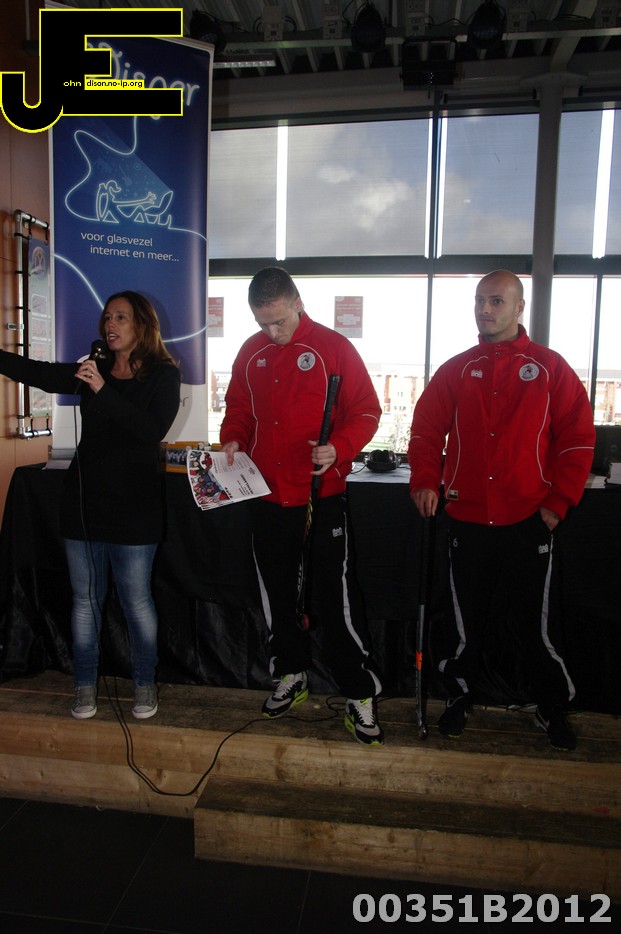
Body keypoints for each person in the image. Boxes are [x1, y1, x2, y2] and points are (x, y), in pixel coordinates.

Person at [408, 270, 595, 751]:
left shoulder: (550, 368)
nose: (485, 309)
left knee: (537, 624)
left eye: (495, 300)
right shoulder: (457, 369)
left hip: (529, 520)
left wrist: (557, 503)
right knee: (464, 622)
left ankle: (551, 705)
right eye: (479, 300)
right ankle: (459, 695)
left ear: (518, 306)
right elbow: (426, 430)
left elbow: (577, 440)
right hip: (467, 519)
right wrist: (425, 479)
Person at [220, 267, 384, 745]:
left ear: (298, 303)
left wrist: (339, 448)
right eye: (262, 323)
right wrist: (233, 438)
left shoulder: (334, 348)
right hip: (265, 495)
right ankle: (290, 674)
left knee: (335, 602)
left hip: (321, 496)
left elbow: (367, 411)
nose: (272, 333)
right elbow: (239, 409)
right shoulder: (251, 352)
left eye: (279, 321)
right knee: (277, 594)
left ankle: (360, 693)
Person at [0, 291, 181, 720]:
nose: (109, 325)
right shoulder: (93, 367)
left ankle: (144, 684)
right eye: (107, 317)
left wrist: (101, 390)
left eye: (120, 317)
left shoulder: (163, 374)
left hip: (135, 509)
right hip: (84, 502)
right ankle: (84, 685)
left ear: (142, 325)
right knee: (85, 602)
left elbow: (150, 429)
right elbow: (40, 373)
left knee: (136, 602)